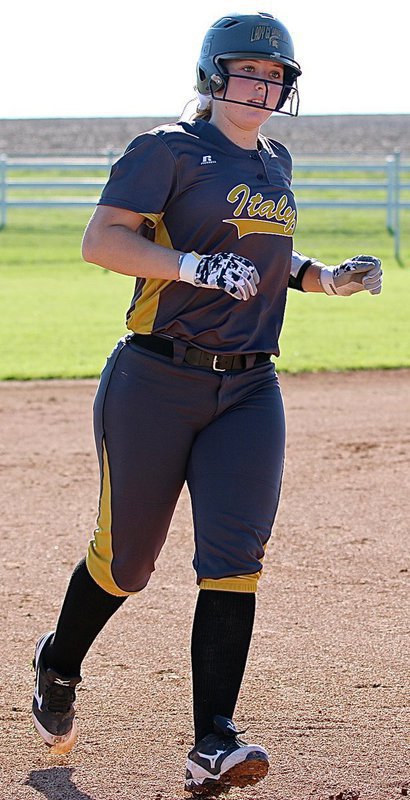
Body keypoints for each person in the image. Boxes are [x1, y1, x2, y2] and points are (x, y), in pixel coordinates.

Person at [31, 11, 382, 797]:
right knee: (126, 564)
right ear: (214, 77)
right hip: (156, 379)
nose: (262, 86)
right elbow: (102, 240)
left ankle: (212, 742)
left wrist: (327, 279)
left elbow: (265, 256)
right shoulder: (166, 149)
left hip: (251, 388)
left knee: (235, 559)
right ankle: (59, 663)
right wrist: (191, 266)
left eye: (275, 76)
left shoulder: (275, 160)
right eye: (248, 72)